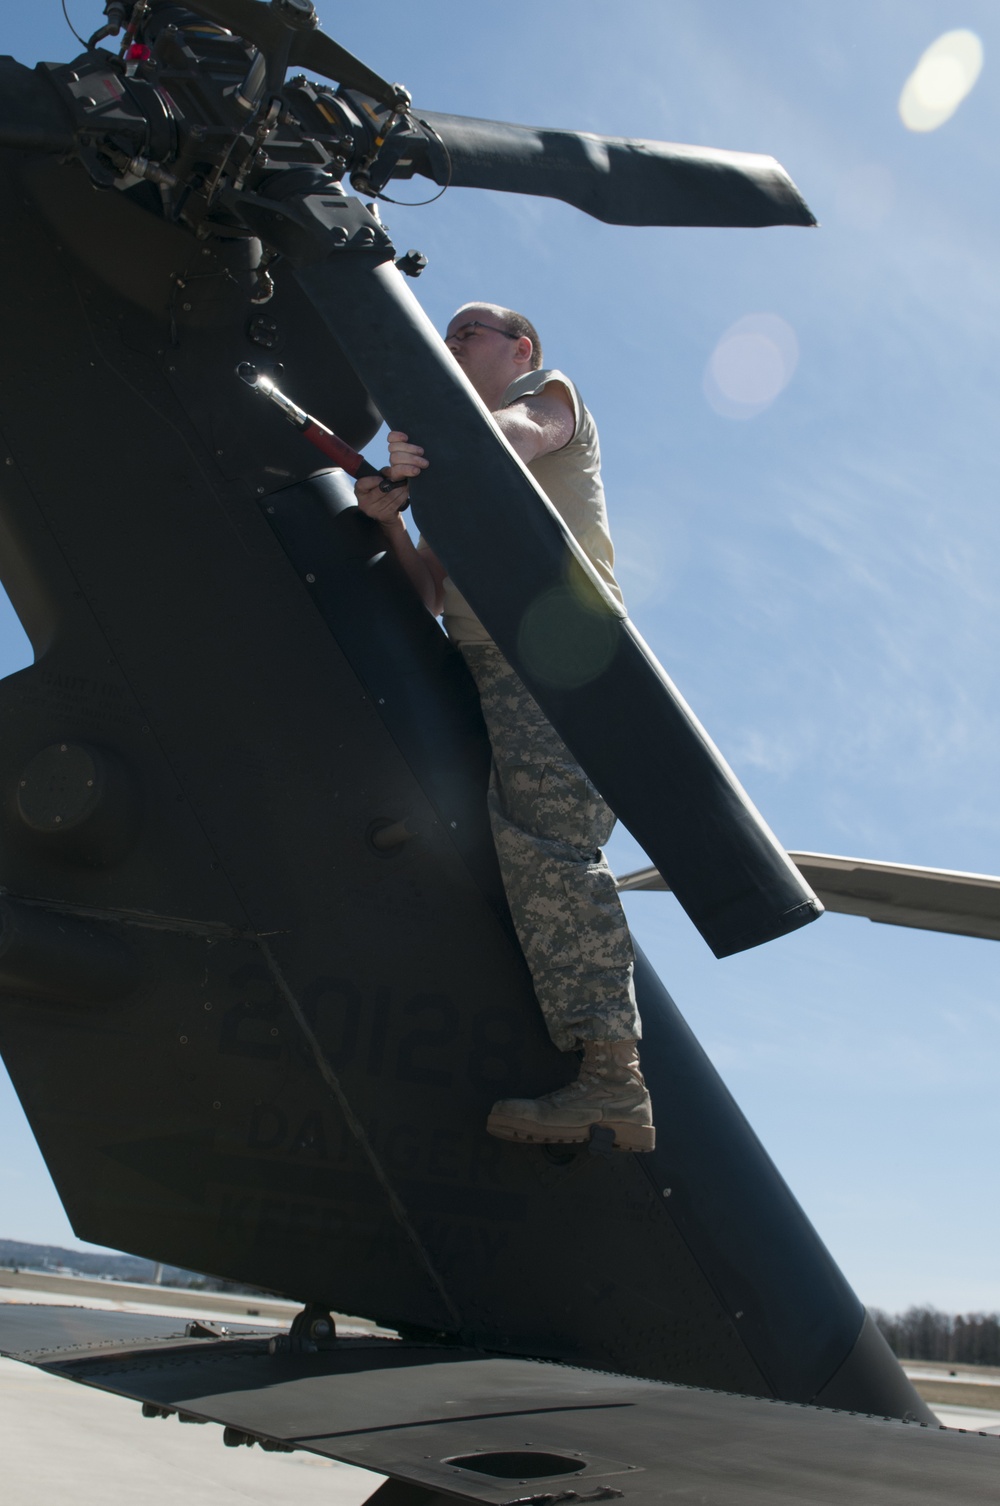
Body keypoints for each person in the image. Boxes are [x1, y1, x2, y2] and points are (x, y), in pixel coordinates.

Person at [355, 304, 655, 1153]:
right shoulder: (455, 469)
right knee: (505, 849)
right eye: (447, 336)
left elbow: (517, 437)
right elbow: (428, 594)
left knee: (550, 844)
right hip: (489, 662)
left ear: (520, 348)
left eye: (468, 333)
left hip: (559, 658)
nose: (451, 346)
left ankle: (613, 1081)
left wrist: (428, 459)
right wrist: (391, 518)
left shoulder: (547, 397)